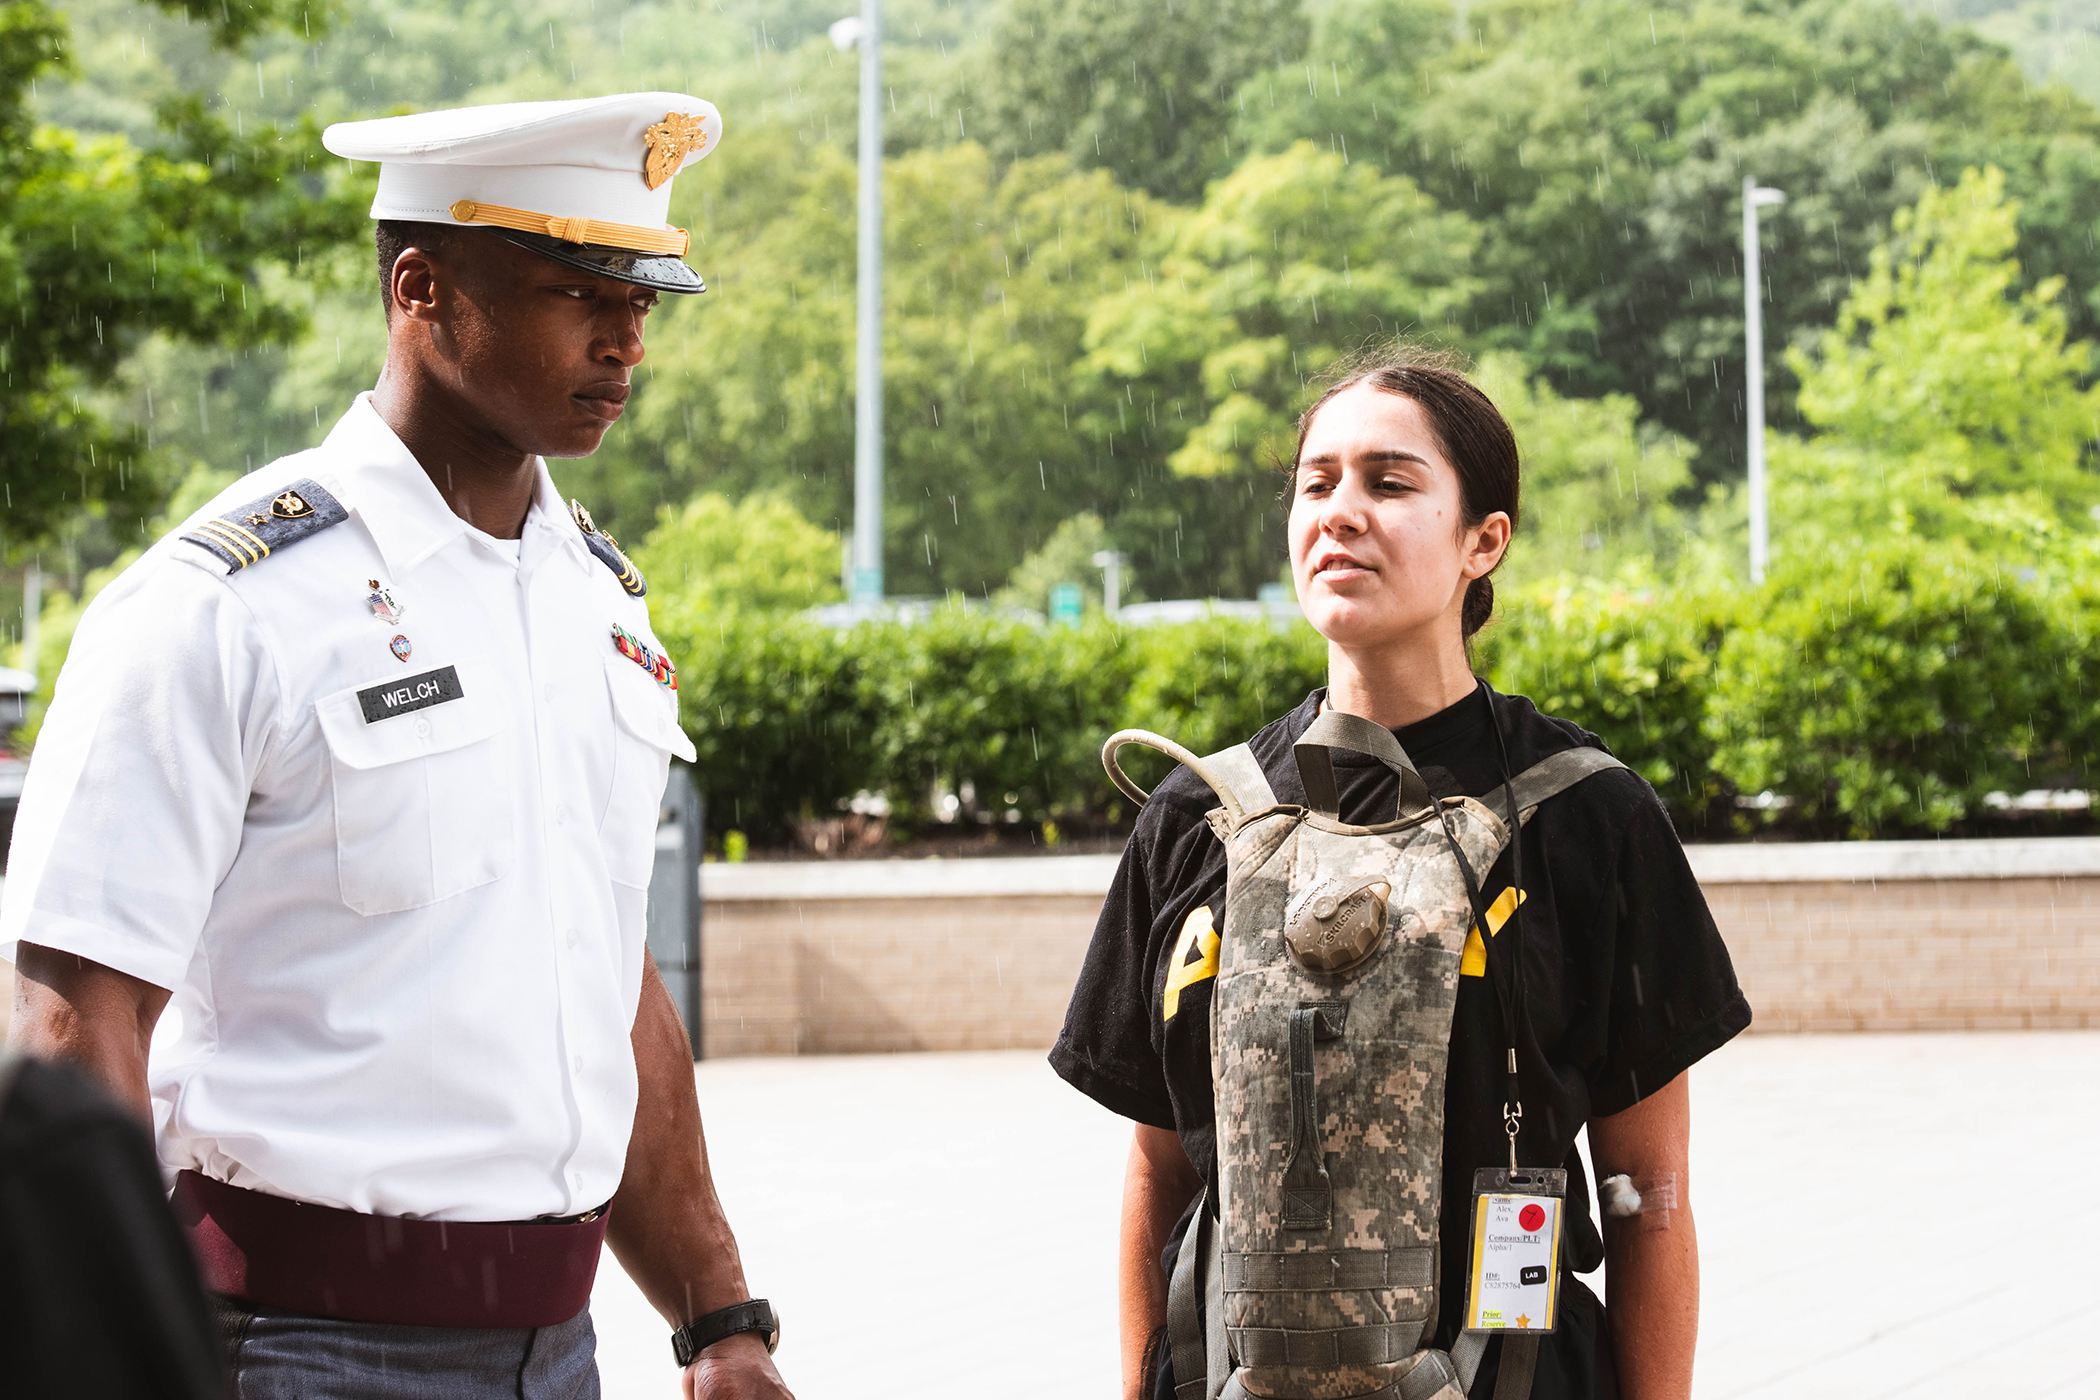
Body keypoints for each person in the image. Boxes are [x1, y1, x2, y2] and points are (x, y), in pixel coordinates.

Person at [2, 92, 792, 1400]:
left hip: (560, 1351)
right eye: (577, 293)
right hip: (286, 1350)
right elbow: (81, 1021)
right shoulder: (223, 608)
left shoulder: (600, 604)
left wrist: (721, 1319)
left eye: (644, 303)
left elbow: (608, 976)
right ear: (421, 287)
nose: (625, 343)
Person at [1051, 349, 1751, 1400]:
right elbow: (1159, 1181)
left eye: (1389, 481)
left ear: (1485, 541)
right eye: (1315, 481)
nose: (1339, 511)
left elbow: (1647, 1194)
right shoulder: (1195, 819)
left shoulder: (1584, 816)